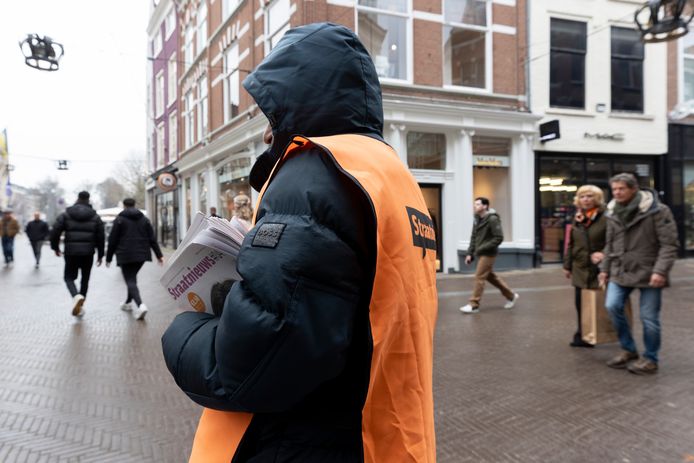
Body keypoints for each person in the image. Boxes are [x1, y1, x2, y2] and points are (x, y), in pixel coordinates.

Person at [162, 23, 438, 463]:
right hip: (380, 429)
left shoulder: (313, 176)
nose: (267, 129)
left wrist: (183, 331)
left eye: (270, 110)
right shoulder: (393, 176)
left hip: (305, 441)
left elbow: (252, 366)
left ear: (294, 101)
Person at [599, 173, 678, 375]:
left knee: (649, 317)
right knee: (612, 306)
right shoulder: (612, 212)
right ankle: (629, 349)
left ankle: (650, 359)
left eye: (621, 189)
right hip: (620, 269)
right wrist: (604, 269)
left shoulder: (658, 211)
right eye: (614, 189)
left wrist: (660, 271)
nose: (616, 193)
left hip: (649, 270)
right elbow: (609, 244)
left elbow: (669, 245)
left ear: (634, 189)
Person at [562, 185, 607, 348]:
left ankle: (609, 333)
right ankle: (583, 334)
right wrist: (567, 265)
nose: (586, 199)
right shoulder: (578, 217)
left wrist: (604, 253)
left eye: (589, 196)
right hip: (580, 267)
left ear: (597, 199)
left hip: (599, 268)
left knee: (602, 304)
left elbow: (616, 241)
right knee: (580, 303)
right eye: (582, 196)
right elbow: (571, 243)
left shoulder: (606, 218)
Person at [106, 198, 163, 321]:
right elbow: (152, 239)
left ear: (124, 206)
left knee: (130, 280)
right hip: (141, 255)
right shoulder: (144, 219)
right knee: (132, 278)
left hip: (125, 254)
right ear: (134, 204)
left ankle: (141, 305)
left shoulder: (120, 220)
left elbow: (112, 240)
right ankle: (127, 302)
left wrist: (108, 257)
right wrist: (159, 255)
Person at [460, 197, 519, 314]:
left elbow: (499, 237)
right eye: (474, 204)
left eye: (477, 204)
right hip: (480, 253)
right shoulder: (477, 218)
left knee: (479, 276)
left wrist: (481, 248)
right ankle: (511, 296)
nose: (475, 206)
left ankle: (474, 304)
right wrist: (469, 253)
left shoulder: (492, 219)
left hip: (489, 253)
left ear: (485, 206)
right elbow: (474, 237)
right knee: (491, 277)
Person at [50, 191, 105, 317]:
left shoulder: (66, 214)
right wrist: (100, 254)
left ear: (78, 198)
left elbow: (55, 231)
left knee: (68, 277)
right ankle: (80, 304)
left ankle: (75, 296)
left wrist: (55, 247)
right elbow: (101, 236)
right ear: (88, 200)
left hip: (71, 252)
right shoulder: (95, 216)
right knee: (85, 280)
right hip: (88, 253)